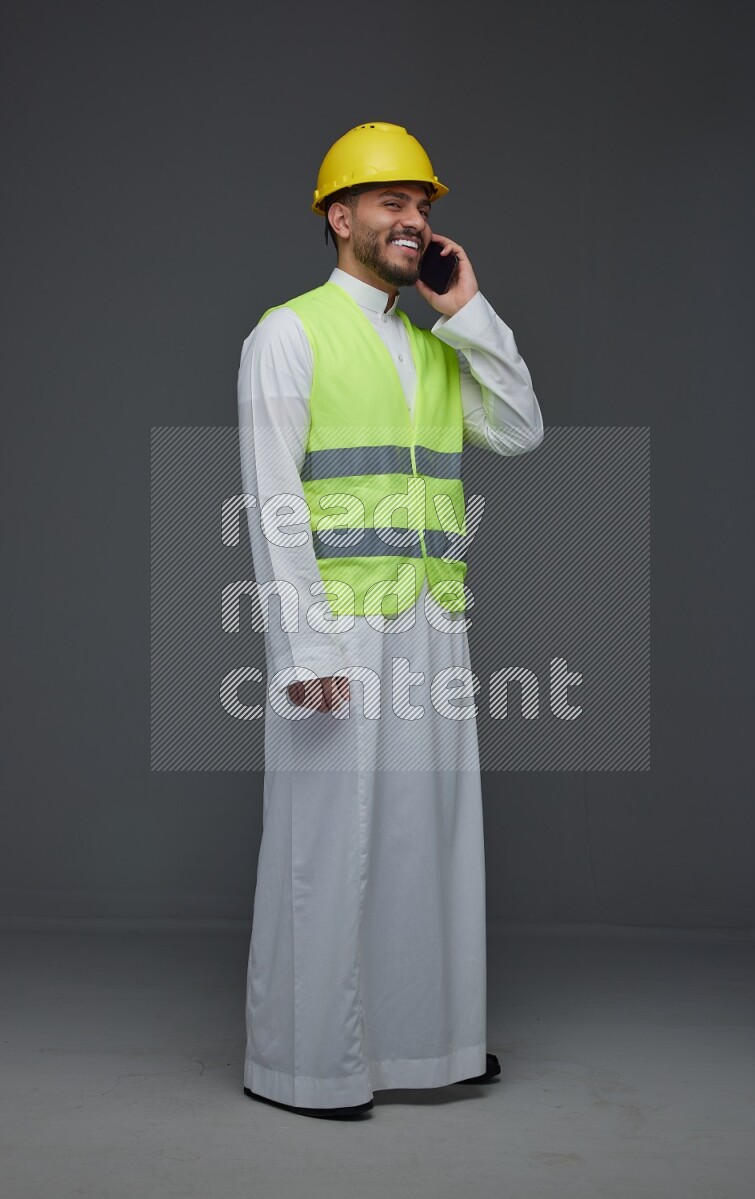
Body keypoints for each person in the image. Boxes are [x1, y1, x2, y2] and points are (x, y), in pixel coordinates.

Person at [236, 121, 543, 1119]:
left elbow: (517, 429)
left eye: (422, 207)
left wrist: (469, 311)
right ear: (340, 218)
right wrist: (304, 643)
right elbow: (274, 498)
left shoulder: (431, 342)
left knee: (427, 837)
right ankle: (306, 1062)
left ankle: (427, 1048)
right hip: (341, 628)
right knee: (330, 842)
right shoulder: (290, 332)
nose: (413, 220)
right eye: (390, 203)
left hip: (430, 624)